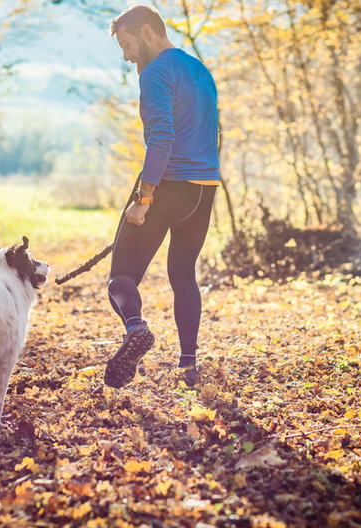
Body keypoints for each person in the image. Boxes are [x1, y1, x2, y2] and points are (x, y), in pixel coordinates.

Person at [103, 4, 220, 388]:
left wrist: (146, 196)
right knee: (183, 274)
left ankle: (136, 328)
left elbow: (162, 138)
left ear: (148, 32)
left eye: (127, 43)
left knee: (121, 277)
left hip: (168, 184)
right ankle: (189, 365)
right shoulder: (199, 69)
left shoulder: (156, 72)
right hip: (204, 190)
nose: (126, 56)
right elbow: (213, 133)